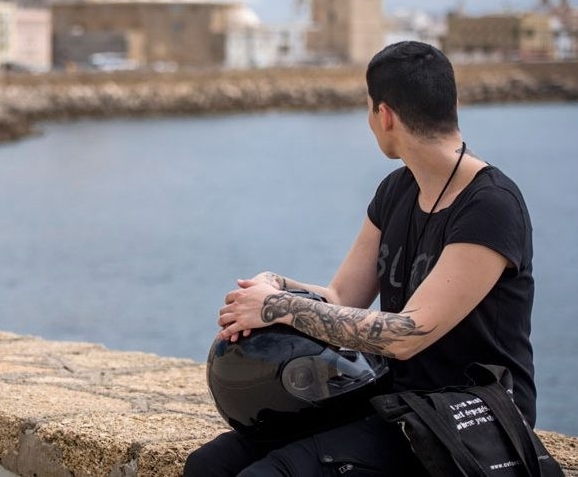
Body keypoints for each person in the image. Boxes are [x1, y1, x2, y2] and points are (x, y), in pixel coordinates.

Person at [185, 41, 536, 476]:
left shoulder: (490, 206)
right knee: (209, 465)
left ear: (383, 115)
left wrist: (279, 308)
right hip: (395, 399)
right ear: (453, 105)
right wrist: (276, 287)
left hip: (464, 417)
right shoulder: (396, 191)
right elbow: (339, 296)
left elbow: (408, 333)